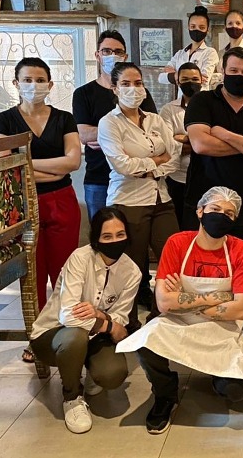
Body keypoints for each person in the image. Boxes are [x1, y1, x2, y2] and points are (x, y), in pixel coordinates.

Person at [116, 187, 243, 434]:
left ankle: (217, 376)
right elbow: (164, 303)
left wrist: (184, 298)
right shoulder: (178, 243)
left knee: (235, 392)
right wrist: (223, 296)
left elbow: (241, 309)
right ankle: (165, 394)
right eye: (215, 209)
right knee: (145, 342)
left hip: (220, 327)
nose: (221, 216)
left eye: (229, 213)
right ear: (200, 211)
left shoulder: (241, 250)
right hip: (177, 322)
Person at [29, 207, 141, 434]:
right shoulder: (80, 258)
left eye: (120, 234)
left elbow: (120, 322)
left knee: (112, 375)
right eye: (107, 236)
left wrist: (101, 316)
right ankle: (72, 397)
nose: (115, 241)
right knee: (75, 335)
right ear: (96, 239)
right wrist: (107, 323)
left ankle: (91, 368)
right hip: (52, 336)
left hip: (96, 337)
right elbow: (68, 315)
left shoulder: (132, 272)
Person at [98, 62, 181, 332]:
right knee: (131, 265)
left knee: (172, 258)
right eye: (125, 84)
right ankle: (128, 324)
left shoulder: (155, 120)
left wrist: (148, 167)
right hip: (128, 201)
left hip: (161, 198)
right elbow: (121, 165)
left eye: (138, 83)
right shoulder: (109, 123)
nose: (133, 89)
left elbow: (174, 157)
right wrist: (156, 162)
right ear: (114, 88)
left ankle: (161, 317)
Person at [0, 57, 81, 318]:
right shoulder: (4, 121)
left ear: (50, 84)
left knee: (64, 268)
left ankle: (66, 323)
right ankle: (37, 329)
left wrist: (25, 165)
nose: (34, 85)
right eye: (27, 80)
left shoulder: (64, 119)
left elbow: (73, 162)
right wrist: (54, 168)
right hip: (23, 204)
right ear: (16, 83)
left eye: (40, 80)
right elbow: (8, 170)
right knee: (32, 270)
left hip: (62, 201)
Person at [184, 47, 243, 246]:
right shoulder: (202, 101)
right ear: (223, 70)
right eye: (233, 70)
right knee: (201, 256)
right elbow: (200, 145)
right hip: (204, 199)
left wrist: (224, 134)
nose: (239, 76)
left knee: (239, 257)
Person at [73, 30, 158, 221]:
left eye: (118, 52)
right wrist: (131, 135)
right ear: (97, 55)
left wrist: (106, 138)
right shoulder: (83, 93)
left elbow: (153, 132)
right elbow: (83, 134)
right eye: (106, 51)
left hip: (135, 179)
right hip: (98, 179)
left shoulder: (139, 92)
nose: (112, 56)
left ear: (125, 56)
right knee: (102, 233)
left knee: (133, 233)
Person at [159, 62, 203, 229]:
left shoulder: (211, 106)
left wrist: (182, 138)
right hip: (177, 178)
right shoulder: (168, 110)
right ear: (177, 82)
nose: (190, 83)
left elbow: (216, 139)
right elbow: (167, 145)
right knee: (178, 226)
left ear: (202, 81)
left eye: (195, 79)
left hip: (206, 177)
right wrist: (199, 142)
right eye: (185, 79)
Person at [159, 5, 220, 92]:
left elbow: (204, 80)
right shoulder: (180, 53)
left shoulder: (210, 52)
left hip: (200, 98)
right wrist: (190, 76)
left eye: (201, 27)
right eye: (193, 26)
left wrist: (176, 75)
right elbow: (161, 78)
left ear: (207, 30)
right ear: (188, 27)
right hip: (181, 99)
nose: (197, 30)